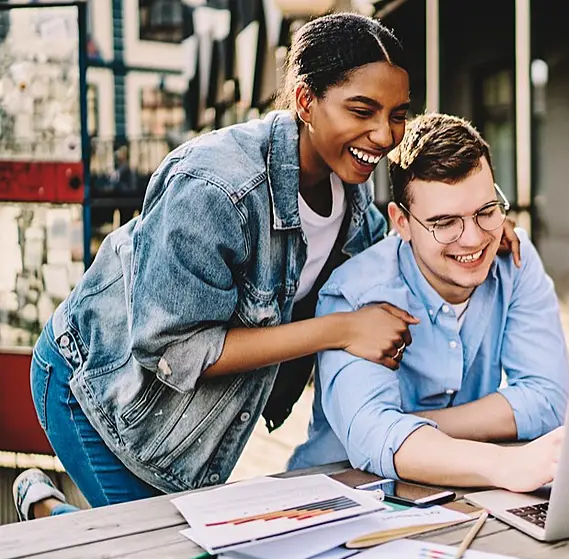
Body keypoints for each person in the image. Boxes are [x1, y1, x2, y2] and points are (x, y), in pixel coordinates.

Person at [12, 14, 524, 521]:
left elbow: (393, 257)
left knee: (161, 555)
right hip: (99, 390)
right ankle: (44, 511)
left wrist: (474, 226)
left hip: (189, 423)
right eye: (362, 110)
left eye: (397, 114)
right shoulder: (215, 188)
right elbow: (175, 349)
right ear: (306, 102)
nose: (384, 134)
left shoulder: (353, 196)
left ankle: (45, 509)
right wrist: (340, 330)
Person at [287, 113, 569, 493]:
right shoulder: (356, 293)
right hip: (339, 494)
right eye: (445, 223)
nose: (472, 239)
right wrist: (502, 463)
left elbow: (548, 399)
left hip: (463, 492)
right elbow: (374, 435)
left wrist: (412, 426)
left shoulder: (515, 262)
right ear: (401, 223)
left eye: (486, 212)